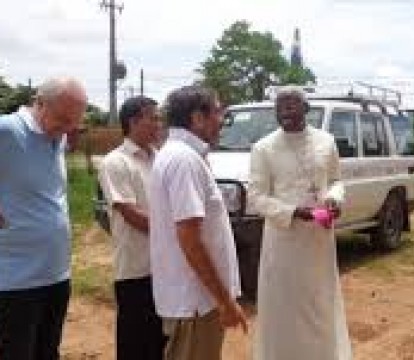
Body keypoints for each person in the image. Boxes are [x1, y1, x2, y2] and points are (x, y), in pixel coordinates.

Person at [249, 86, 352, 360]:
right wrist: (294, 212)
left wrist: (334, 199)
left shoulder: (326, 141)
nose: (285, 111)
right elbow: (256, 197)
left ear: (306, 109)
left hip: (318, 239)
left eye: (292, 105)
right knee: (285, 304)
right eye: (280, 106)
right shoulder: (263, 147)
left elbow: (336, 181)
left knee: (318, 301)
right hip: (284, 240)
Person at [149, 85, 247, 360]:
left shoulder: (182, 156)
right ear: (197, 118)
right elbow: (190, 239)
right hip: (195, 302)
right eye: (217, 112)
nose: (222, 120)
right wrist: (224, 300)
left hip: (196, 300)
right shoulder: (184, 161)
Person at [0, 77, 87, 360]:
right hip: (14, 281)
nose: (68, 129)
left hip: (56, 275)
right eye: (63, 119)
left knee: (48, 352)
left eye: (74, 122)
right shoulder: (8, 130)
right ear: (39, 103)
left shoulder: (57, 137)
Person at [98, 96, 165, 359]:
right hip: (136, 269)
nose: (159, 124)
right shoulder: (116, 162)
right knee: (135, 343)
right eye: (154, 118)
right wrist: (176, 233)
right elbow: (130, 214)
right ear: (134, 122)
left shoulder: (160, 159)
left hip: (164, 267)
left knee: (161, 340)